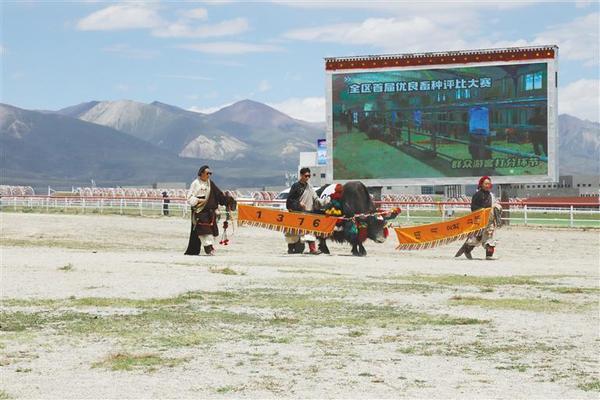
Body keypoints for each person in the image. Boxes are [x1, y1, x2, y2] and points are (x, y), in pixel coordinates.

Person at [184, 165, 235, 256]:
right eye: (207, 173)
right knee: (204, 230)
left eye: (210, 173)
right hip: (200, 211)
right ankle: (208, 248)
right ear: (201, 173)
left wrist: (228, 201)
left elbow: (219, 195)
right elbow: (189, 198)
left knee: (210, 231)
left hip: (210, 213)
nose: (209, 175)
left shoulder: (211, 184)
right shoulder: (195, 183)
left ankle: (197, 249)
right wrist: (199, 200)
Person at [455, 176, 502, 260]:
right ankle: (467, 249)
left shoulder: (491, 195)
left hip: (489, 221)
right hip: (479, 220)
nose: (487, 185)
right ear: (481, 184)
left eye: (489, 184)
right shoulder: (477, 195)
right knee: (476, 239)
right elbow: (474, 208)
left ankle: (489, 255)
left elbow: (493, 206)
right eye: (485, 183)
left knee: (490, 238)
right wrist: (482, 211)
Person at [285, 167, 326, 255]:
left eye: (309, 176)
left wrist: (324, 202)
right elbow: (290, 200)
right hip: (296, 213)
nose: (307, 178)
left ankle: (312, 249)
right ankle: (291, 248)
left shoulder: (310, 187)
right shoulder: (295, 186)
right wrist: (298, 203)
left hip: (308, 213)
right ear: (301, 175)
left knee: (309, 232)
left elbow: (316, 199)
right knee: (293, 232)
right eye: (306, 176)